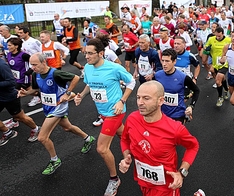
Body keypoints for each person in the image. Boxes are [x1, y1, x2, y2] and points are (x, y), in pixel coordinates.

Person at [74, 38, 136, 196]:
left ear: (101, 53)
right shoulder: (88, 68)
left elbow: (131, 82)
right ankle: (138, 149)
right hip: (102, 110)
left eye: (90, 53)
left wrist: (122, 101)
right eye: (85, 53)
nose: (86, 57)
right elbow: (89, 83)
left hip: (114, 112)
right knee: (122, 133)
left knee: (102, 148)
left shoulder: (114, 68)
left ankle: (114, 179)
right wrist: (81, 95)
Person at [18, 53, 95, 175]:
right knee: (67, 127)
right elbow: (35, 89)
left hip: (59, 106)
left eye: (35, 64)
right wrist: (26, 93)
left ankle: (55, 160)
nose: (32, 67)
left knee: (42, 137)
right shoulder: (35, 74)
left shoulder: (55, 73)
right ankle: (88, 138)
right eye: (31, 64)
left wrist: (68, 93)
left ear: (44, 63)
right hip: (48, 106)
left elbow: (75, 78)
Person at [119, 81, 200, 196]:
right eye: (138, 98)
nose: (140, 103)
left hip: (166, 188)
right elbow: (125, 139)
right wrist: (126, 157)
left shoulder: (175, 129)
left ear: (161, 101)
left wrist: (181, 172)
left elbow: (193, 146)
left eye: (146, 98)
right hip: (143, 181)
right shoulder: (132, 119)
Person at [0, 57, 40, 146]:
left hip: (9, 97)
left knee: (19, 117)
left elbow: (11, 81)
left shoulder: (2, 65)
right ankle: (8, 133)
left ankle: (36, 129)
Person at [155, 49, 200, 123]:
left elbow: (196, 90)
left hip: (177, 115)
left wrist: (191, 106)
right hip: (161, 114)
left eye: (167, 61)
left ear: (174, 61)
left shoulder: (183, 77)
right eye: (162, 61)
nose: (164, 64)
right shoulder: (157, 75)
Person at [204, 27, 231, 106]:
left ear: (223, 34)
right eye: (217, 36)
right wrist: (206, 48)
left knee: (218, 80)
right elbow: (205, 47)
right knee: (221, 78)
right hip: (215, 62)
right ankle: (226, 89)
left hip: (224, 63)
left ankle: (220, 97)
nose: (218, 37)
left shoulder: (228, 40)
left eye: (219, 36)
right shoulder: (211, 39)